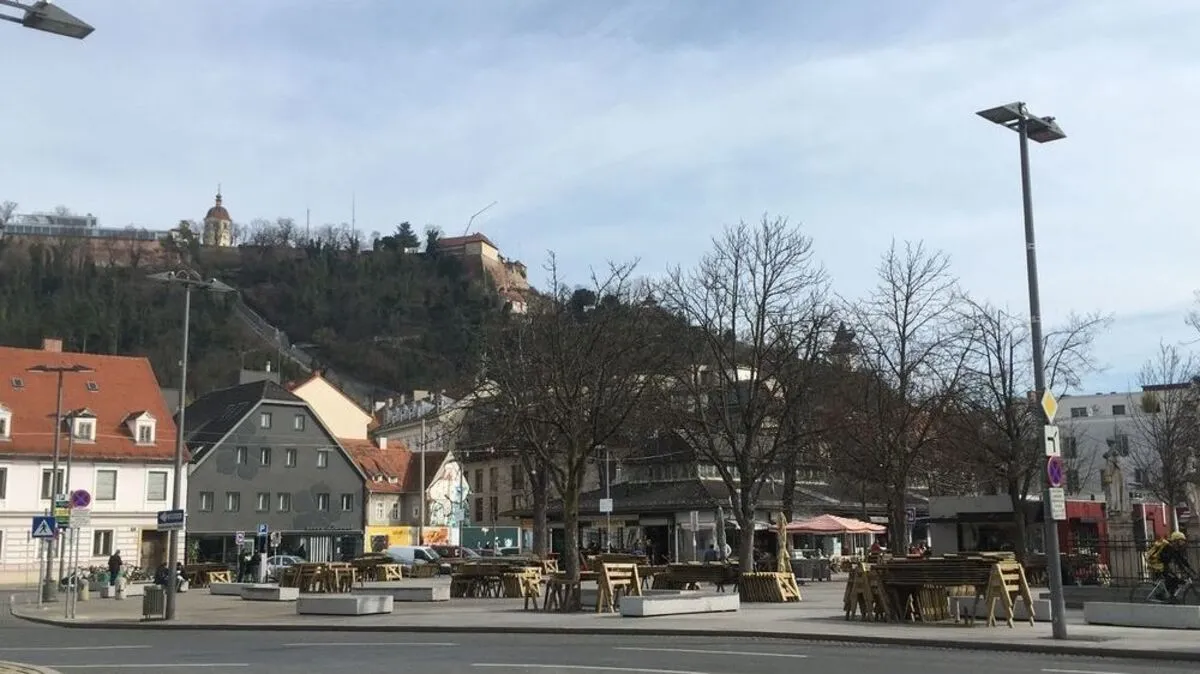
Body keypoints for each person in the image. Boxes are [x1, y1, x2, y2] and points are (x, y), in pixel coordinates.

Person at [1159, 531, 1195, 600]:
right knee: (1174, 579)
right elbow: (1177, 561)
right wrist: (1185, 570)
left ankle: (1171, 596)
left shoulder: (1175, 549)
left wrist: (1190, 568)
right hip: (1161, 568)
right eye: (1181, 541)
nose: (1182, 543)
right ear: (1176, 541)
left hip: (1167, 568)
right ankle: (1169, 597)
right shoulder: (1169, 548)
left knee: (1177, 580)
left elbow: (1181, 560)